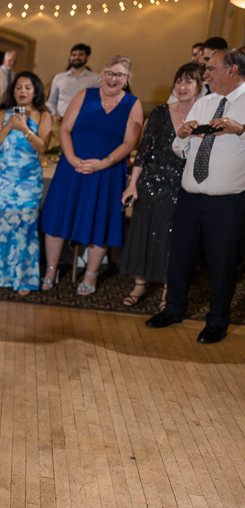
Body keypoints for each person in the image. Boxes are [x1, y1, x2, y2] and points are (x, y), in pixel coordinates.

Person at [146, 48, 245, 344]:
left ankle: (217, 320)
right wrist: (184, 134)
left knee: (221, 261)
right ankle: (173, 308)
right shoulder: (204, 103)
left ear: (233, 70)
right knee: (180, 256)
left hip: (227, 201)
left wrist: (240, 131)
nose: (205, 74)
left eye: (212, 68)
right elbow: (181, 150)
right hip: (190, 195)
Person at [40, 56, 143, 295]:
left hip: (107, 172)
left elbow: (130, 142)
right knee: (57, 218)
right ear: (102, 74)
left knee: (100, 222)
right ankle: (51, 270)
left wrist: (103, 164)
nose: (113, 78)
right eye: (109, 72)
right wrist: (73, 159)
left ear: (126, 80)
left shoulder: (133, 104)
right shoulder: (85, 95)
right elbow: (64, 128)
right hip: (72, 167)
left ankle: (91, 274)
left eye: (119, 75)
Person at [119, 63, 202, 308]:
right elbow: (144, 151)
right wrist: (132, 184)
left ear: (199, 86)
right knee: (144, 232)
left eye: (188, 81)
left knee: (172, 237)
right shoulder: (160, 112)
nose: (182, 86)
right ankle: (139, 285)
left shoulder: (205, 115)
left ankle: (169, 288)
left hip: (183, 184)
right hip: (152, 181)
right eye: (179, 81)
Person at [0, 72, 53, 294]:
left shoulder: (43, 115)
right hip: (4, 179)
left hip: (29, 181)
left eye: (27, 87)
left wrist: (25, 129)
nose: (22, 91)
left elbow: (43, 148)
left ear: (36, 91)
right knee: (0, 226)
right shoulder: (2, 113)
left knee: (25, 228)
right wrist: (9, 126)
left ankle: (23, 278)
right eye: (19, 87)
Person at [46, 44, 101, 125]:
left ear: (87, 57)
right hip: (61, 121)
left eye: (80, 55)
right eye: (73, 55)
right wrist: (54, 115)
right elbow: (51, 102)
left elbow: (100, 102)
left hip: (85, 122)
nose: (76, 57)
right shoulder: (59, 77)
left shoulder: (96, 79)